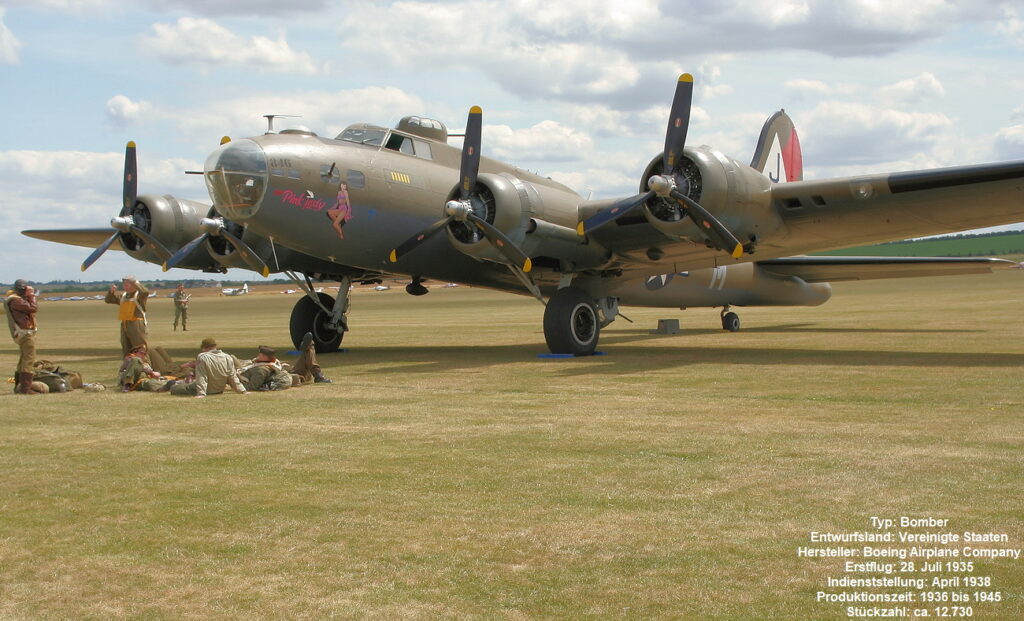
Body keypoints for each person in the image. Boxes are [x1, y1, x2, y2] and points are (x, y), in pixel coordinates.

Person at [170, 337, 247, 398]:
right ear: (215, 346)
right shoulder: (227, 357)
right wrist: (242, 391)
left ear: (204, 348)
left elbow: (202, 376)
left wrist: (201, 393)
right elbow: (232, 376)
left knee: (175, 388)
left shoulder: (202, 357)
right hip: (219, 390)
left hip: (206, 390)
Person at [4, 279, 42, 395]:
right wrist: (31, 295)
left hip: (21, 333)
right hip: (25, 333)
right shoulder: (16, 300)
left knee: (23, 358)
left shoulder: (13, 300)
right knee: (29, 359)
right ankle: (25, 388)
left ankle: (19, 386)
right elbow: (33, 308)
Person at [105, 275, 150, 357]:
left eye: (126, 285)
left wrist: (136, 283)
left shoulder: (139, 296)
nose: (124, 287)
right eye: (124, 285)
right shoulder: (123, 296)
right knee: (126, 348)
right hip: (125, 324)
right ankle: (128, 368)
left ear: (134, 285)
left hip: (136, 324)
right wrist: (111, 292)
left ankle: (145, 367)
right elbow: (108, 300)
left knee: (140, 349)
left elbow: (145, 292)